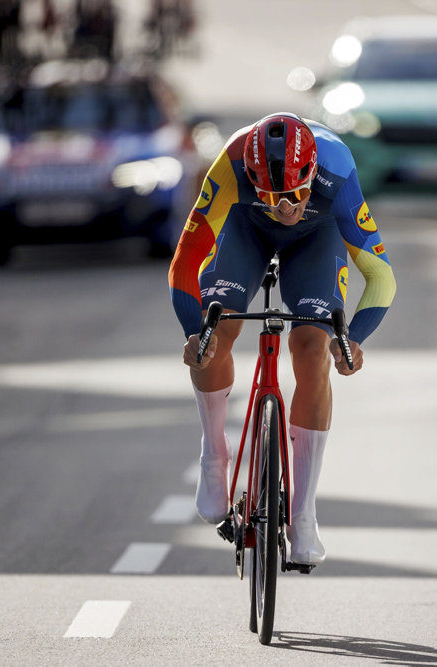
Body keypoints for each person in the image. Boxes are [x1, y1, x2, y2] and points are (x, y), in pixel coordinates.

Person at [168, 112, 396, 565]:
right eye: (272, 196)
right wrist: (195, 333)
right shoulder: (231, 161)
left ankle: (304, 513)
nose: (286, 207)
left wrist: (353, 339)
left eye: (295, 194)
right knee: (218, 330)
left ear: (312, 175)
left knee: (312, 351)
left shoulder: (337, 166)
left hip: (318, 237)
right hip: (243, 229)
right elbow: (186, 258)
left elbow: (380, 276)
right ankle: (214, 454)